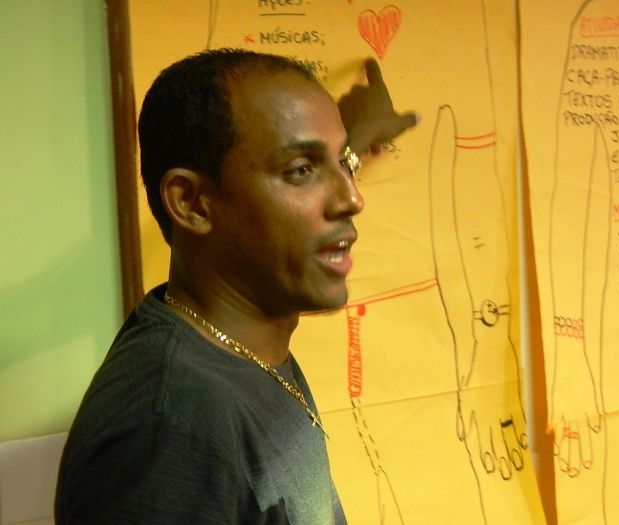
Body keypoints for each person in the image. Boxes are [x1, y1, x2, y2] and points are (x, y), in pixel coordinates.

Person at [54, 48, 418, 524]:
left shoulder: (234, 353)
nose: (351, 198)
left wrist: (346, 144)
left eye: (343, 163)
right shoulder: (170, 425)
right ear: (192, 204)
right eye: (301, 169)